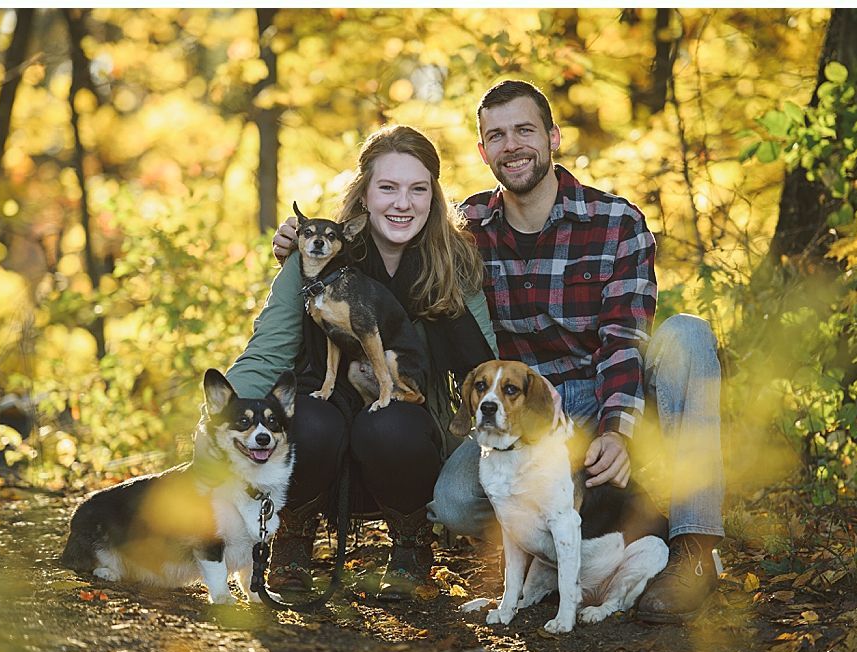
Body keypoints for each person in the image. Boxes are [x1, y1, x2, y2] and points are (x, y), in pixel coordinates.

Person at [272, 81, 725, 623]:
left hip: (607, 387)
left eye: (525, 130)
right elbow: (390, 224)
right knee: (456, 502)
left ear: (553, 137)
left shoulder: (615, 222)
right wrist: (297, 242)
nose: (512, 145)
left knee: (688, 335)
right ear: (483, 151)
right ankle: (567, 552)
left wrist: (616, 428)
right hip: (522, 404)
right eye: (496, 136)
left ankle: (697, 548)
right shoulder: (465, 229)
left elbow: (624, 341)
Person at [228, 124, 497, 601]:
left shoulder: (452, 264)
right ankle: (292, 537)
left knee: (391, 426)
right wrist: (221, 419)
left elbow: (484, 366)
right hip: (324, 411)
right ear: (364, 194)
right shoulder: (315, 252)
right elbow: (269, 349)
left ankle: (411, 546)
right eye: (387, 187)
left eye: (418, 189)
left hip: (405, 431)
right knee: (305, 420)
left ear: (433, 197)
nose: (402, 203)